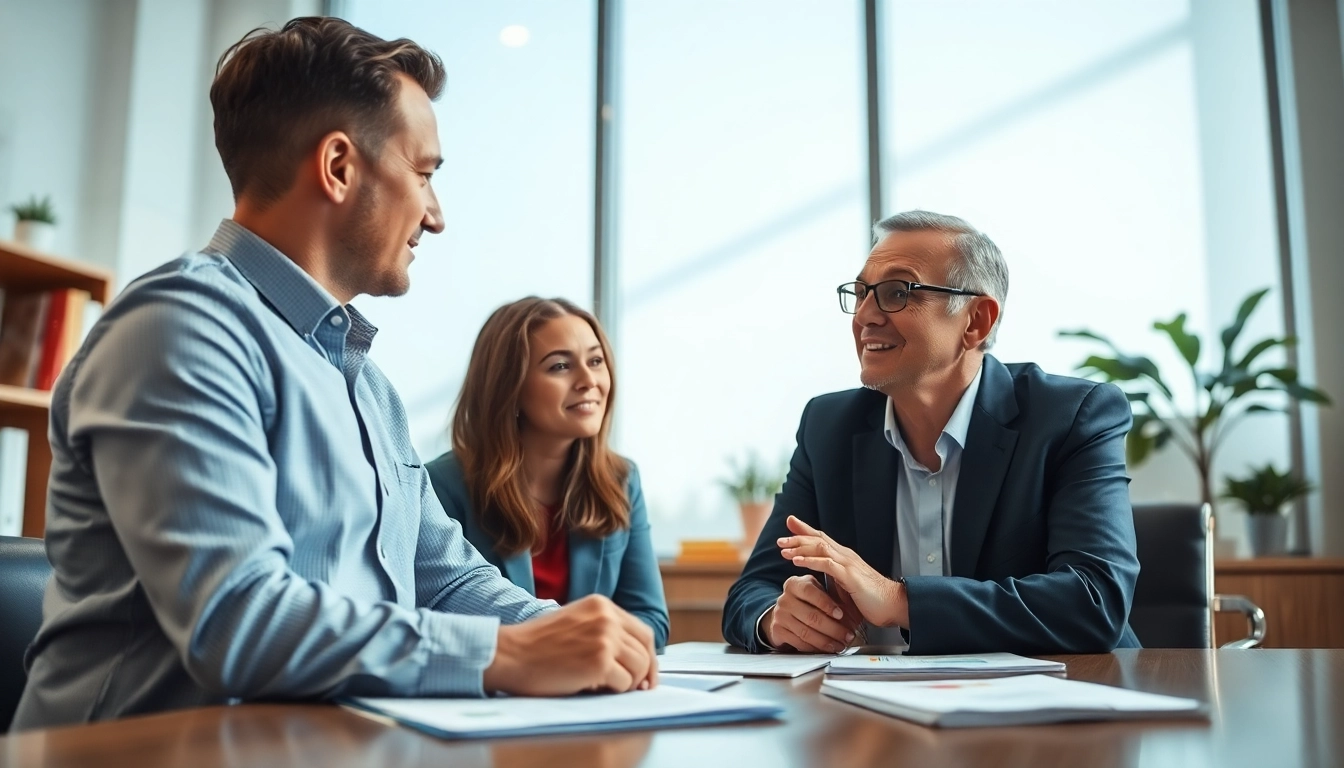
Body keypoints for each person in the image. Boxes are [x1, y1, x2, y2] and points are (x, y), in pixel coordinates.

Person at [13, 18, 655, 731]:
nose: (435, 215)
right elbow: (238, 619)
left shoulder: (366, 385)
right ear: (340, 167)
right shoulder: (181, 329)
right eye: (424, 173)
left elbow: (446, 574)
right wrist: (507, 652)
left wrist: (579, 636)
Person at [722, 210, 1141, 656]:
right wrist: (778, 619)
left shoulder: (1072, 416)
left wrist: (898, 601)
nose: (864, 316)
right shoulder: (829, 426)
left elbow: (1094, 600)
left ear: (976, 321)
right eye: (861, 293)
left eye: (897, 293)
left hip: (1062, 707)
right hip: (873, 715)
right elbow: (752, 592)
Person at [426, 297, 669, 650]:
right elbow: (440, 620)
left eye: (596, 361)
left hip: (595, 690)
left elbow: (651, 621)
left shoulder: (621, 479)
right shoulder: (443, 486)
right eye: (559, 367)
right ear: (508, 387)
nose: (589, 381)